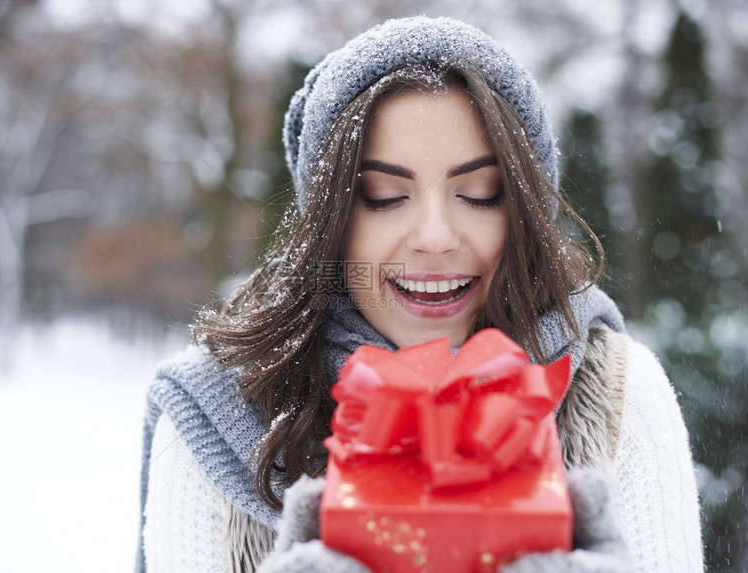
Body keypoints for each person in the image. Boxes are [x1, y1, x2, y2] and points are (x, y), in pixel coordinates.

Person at [135, 16, 703, 573]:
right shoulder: (213, 413)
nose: (434, 237)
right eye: (384, 195)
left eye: (479, 193)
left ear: (523, 213)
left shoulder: (617, 392)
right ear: (329, 221)